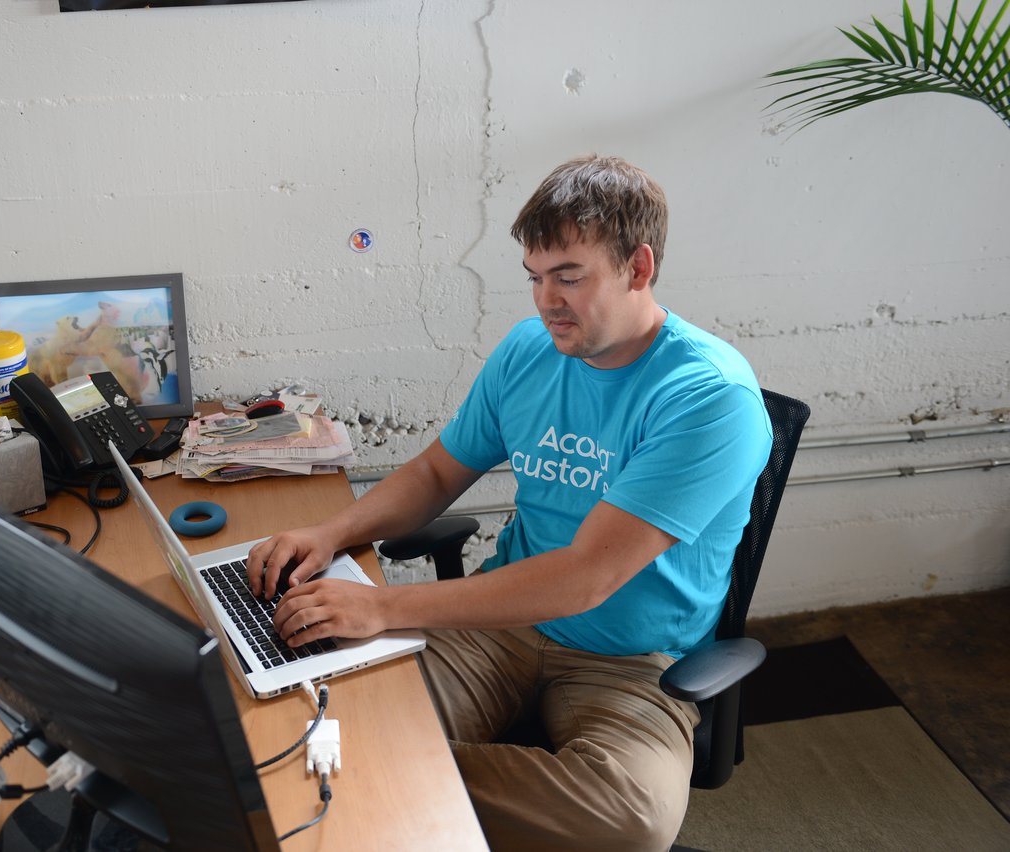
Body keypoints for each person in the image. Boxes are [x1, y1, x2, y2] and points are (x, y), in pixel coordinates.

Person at [246, 154, 771, 851]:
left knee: (630, 821)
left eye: (570, 277)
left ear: (638, 268)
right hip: (499, 626)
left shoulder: (709, 398)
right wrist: (330, 532)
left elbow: (585, 577)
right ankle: (390, 772)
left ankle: (391, 771)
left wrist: (383, 606)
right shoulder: (530, 350)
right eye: (536, 277)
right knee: (326, 719)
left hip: (634, 662)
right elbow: (436, 474)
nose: (546, 300)